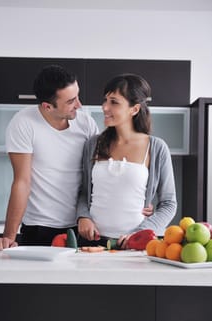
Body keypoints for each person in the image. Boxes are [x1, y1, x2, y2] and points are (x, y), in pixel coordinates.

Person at [0, 64, 99, 250]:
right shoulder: (24, 123)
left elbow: (97, 175)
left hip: (82, 226)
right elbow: (22, 182)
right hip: (38, 228)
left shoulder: (86, 123)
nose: (79, 105)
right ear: (48, 106)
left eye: (77, 96)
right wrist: (9, 236)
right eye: (71, 101)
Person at [76, 73, 177, 249]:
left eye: (114, 102)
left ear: (134, 109)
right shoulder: (93, 144)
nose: (105, 107)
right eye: (105, 100)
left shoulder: (156, 147)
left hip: (135, 244)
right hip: (92, 243)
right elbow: (84, 191)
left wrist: (141, 231)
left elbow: (169, 204)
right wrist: (83, 217)